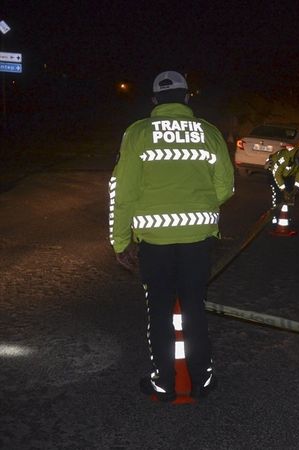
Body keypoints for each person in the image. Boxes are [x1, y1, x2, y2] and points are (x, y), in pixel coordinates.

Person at [108, 70, 235, 402]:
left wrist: (121, 242)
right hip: (199, 241)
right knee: (194, 308)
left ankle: (164, 383)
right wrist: (198, 204)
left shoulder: (137, 133)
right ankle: (202, 381)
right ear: (187, 98)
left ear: (154, 100)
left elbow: (124, 193)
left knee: (159, 313)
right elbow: (225, 186)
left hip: (154, 245)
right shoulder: (209, 133)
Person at [265, 145, 299, 223]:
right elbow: (277, 174)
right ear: (296, 157)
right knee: (278, 194)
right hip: (273, 170)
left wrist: (295, 189)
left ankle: (285, 215)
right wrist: (283, 190)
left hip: (287, 174)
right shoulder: (284, 158)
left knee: (289, 194)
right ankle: (274, 216)